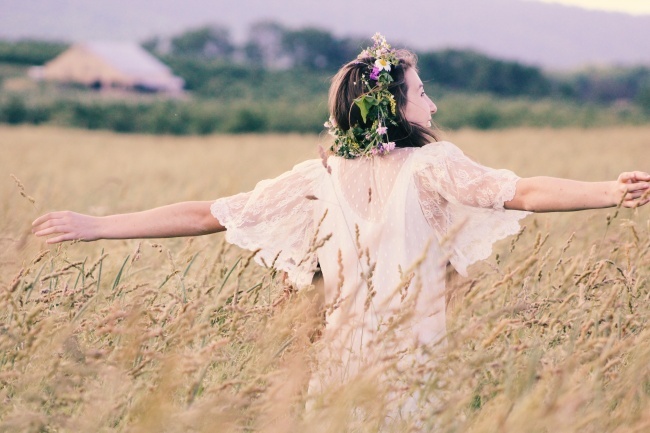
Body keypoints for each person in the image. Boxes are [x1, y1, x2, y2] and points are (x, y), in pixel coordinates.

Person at [32, 33, 649, 420]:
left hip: (341, 363)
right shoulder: (434, 167)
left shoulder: (317, 177)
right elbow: (524, 192)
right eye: (422, 93)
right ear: (394, 107)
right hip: (414, 360)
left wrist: (97, 225)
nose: (432, 104)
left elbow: (205, 214)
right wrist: (609, 192)